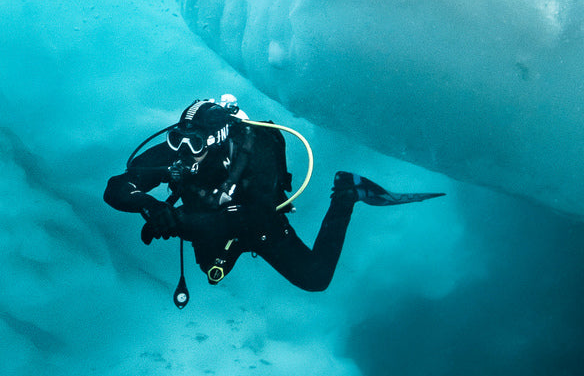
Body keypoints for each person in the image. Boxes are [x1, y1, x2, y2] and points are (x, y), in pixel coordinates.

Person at [104, 96, 443, 296]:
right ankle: (225, 251)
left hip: (259, 224)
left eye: (193, 144)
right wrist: (148, 203)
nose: (184, 151)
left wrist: (176, 222)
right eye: (178, 141)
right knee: (211, 269)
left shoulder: (257, 149)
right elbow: (117, 187)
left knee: (315, 279)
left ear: (219, 136)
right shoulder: (181, 150)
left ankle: (346, 192)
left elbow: (251, 215)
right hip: (204, 225)